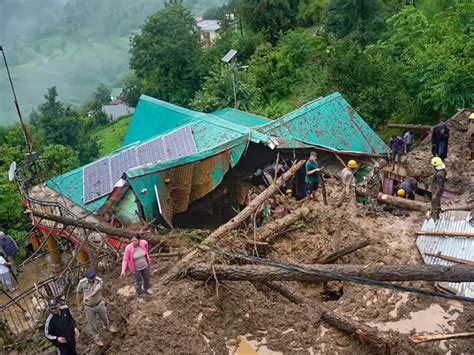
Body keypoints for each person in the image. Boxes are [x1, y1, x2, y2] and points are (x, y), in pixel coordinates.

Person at [76, 268, 117, 347]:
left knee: (104, 317)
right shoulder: (82, 282)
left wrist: (89, 296)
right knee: (92, 324)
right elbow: (78, 293)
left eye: (93, 277)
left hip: (99, 303)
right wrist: (78, 305)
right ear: (87, 278)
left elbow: (97, 290)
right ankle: (96, 338)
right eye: (91, 278)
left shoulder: (99, 280)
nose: (93, 279)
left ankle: (107, 326)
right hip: (88, 307)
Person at [121, 234, 152, 303]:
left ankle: (146, 289)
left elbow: (146, 249)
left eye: (135, 241)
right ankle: (139, 296)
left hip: (145, 265)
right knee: (138, 283)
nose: (133, 242)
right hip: (136, 269)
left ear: (139, 240)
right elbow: (125, 259)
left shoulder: (143, 243)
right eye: (132, 241)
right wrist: (123, 270)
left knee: (147, 279)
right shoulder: (128, 248)